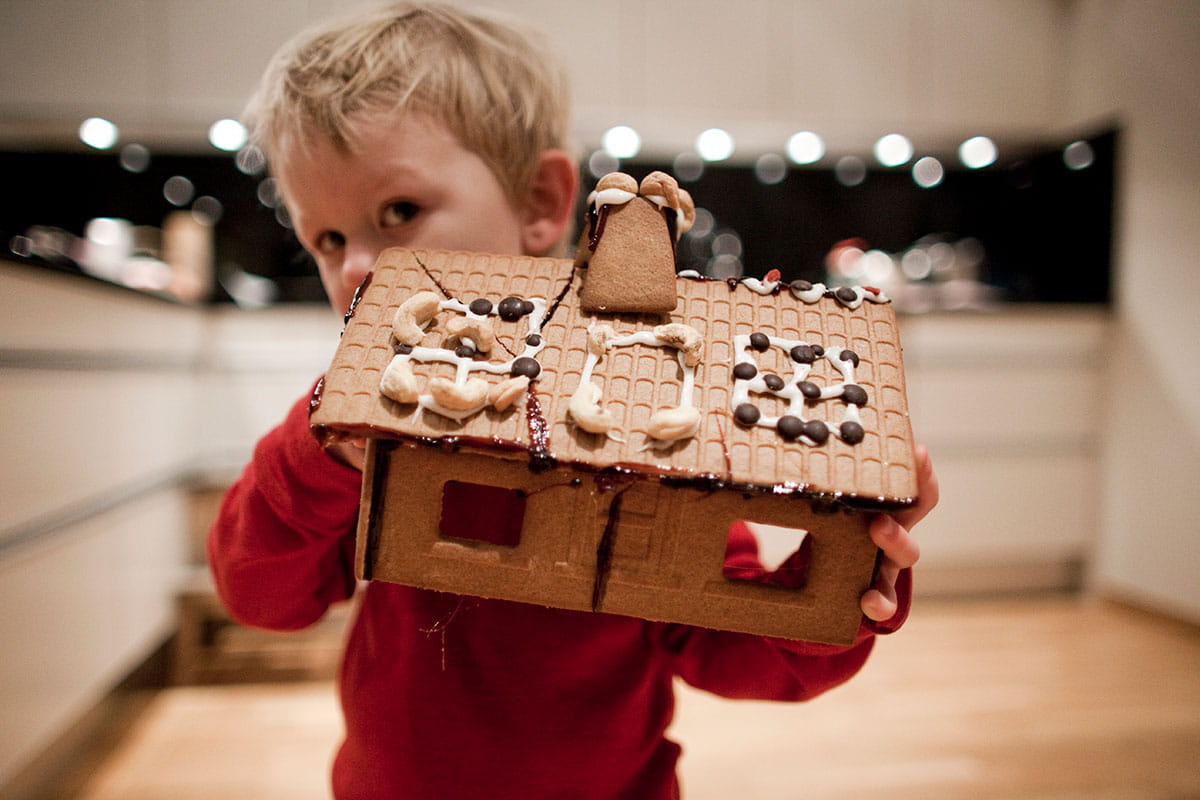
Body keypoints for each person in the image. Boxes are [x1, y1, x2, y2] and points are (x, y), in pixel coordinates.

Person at [209, 3, 938, 798]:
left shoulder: (644, 407)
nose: (354, 270)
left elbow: (732, 646)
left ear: (539, 204)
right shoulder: (356, 430)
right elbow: (260, 596)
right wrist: (315, 453)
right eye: (327, 239)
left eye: (398, 213)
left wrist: (837, 581)